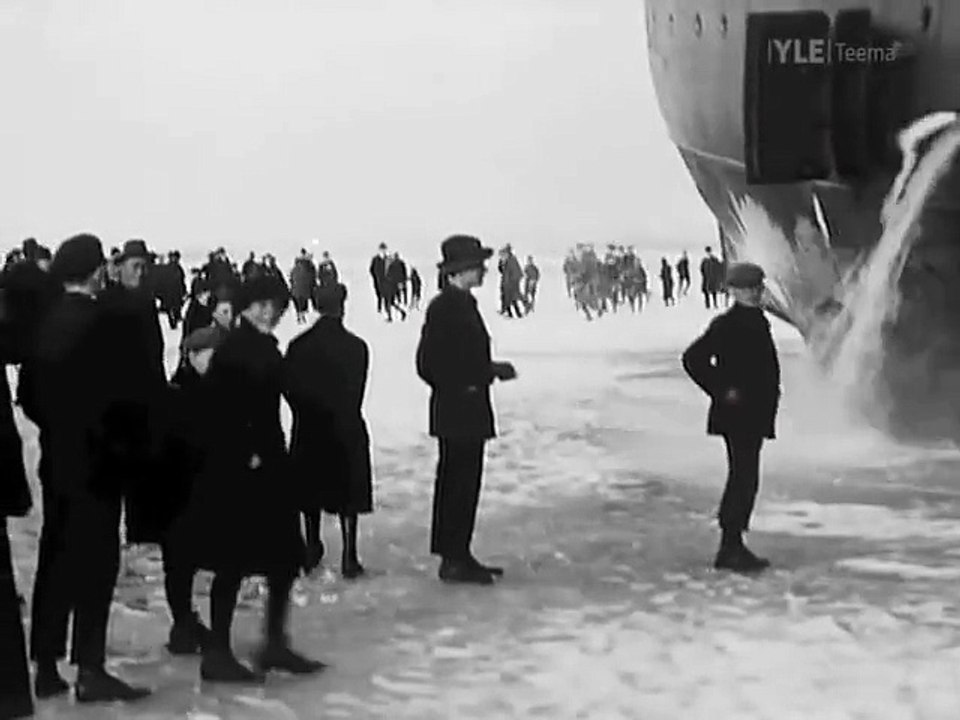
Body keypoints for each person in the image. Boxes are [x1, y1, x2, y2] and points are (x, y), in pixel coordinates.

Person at [173, 274, 324, 683]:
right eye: (260, 304)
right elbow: (219, 412)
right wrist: (248, 454)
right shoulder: (236, 350)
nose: (269, 311)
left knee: (281, 560)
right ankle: (219, 652)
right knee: (233, 560)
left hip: (267, 468)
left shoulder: (260, 347)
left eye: (275, 305)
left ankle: (273, 642)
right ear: (243, 307)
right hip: (240, 472)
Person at [29, 234, 151, 702]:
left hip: (57, 463)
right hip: (99, 468)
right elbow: (123, 398)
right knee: (96, 566)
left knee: (54, 560)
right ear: (97, 271)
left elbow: (32, 399)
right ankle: (90, 668)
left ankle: (44, 665)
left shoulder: (47, 323)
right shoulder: (104, 324)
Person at [416, 235, 517, 585]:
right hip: (458, 410)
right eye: (478, 265)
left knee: (463, 484)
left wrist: (487, 369)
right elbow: (429, 364)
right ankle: (453, 558)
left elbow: (459, 357)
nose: (484, 270)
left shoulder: (461, 304)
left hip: (465, 410)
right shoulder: (445, 308)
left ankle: (458, 553)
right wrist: (482, 375)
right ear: (460, 271)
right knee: (457, 485)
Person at [681, 262, 780, 573]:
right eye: (746, 288)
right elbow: (693, 358)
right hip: (739, 415)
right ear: (733, 291)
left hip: (753, 414)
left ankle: (734, 544)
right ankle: (730, 547)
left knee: (746, 478)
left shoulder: (756, 321)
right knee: (742, 478)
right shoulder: (728, 323)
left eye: (756, 288)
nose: (753, 293)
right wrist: (722, 390)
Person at [286, 284, 373, 579]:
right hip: (346, 425)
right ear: (342, 306)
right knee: (349, 493)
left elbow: (289, 388)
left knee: (309, 491)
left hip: (309, 426)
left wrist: (303, 412)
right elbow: (357, 389)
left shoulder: (298, 346)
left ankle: (311, 545)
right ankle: (349, 555)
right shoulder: (357, 347)